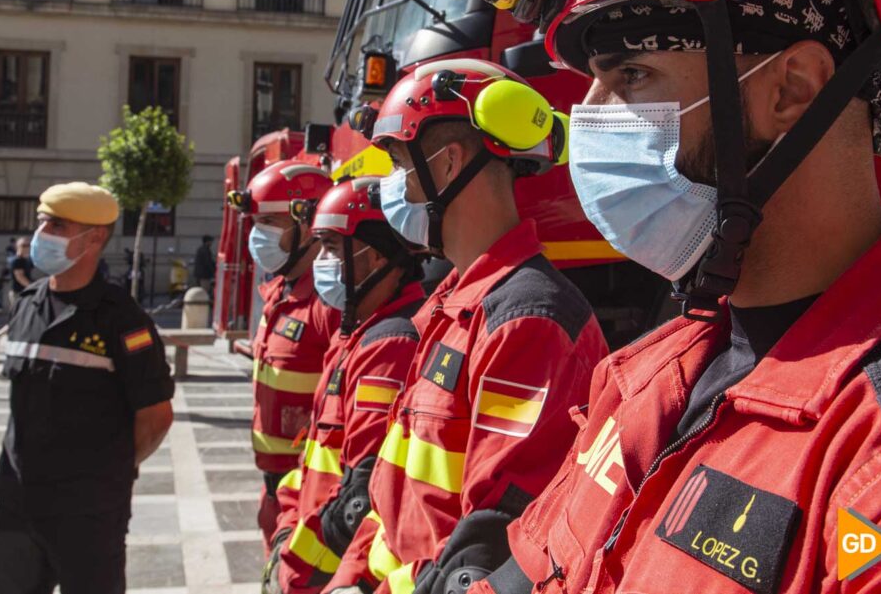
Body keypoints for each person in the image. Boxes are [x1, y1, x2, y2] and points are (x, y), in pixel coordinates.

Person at [469, 0, 881, 593]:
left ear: (790, 89)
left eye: (631, 76)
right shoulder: (648, 373)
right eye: (593, 83)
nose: (586, 122)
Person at [324, 60, 609, 594]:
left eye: (405, 168)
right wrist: (351, 576)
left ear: (450, 164)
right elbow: (392, 492)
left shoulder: (528, 323)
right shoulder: (448, 307)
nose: (397, 192)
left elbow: (490, 548)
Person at [0, 182, 174, 593]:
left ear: (94, 238)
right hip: (18, 503)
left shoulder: (122, 320)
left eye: (56, 225)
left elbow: (155, 417)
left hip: (86, 511)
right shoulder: (27, 303)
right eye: (41, 223)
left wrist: (106, 470)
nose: (42, 235)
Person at [263, 177, 427, 594]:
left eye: (333, 249)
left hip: (332, 574)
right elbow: (313, 458)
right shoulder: (353, 335)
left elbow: (364, 492)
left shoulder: (392, 344)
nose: (322, 261)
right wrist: (285, 534)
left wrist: (298, 570)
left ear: (373, 258)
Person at [227, 161, 341, 552]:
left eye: (271, 222)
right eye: (257, 222)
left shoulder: (329, 303)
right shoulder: (279, 292)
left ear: (310, 224)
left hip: (310, 492)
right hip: (274, 485)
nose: (259, 235)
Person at [0, 238, 33, 349]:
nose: (26, 247)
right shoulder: (17, 261)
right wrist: (33, 287)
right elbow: (19, 276)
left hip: (24, 292)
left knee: (22, 318)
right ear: (17, 247)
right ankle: (0, 335)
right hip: (18, 293)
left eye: (28, 245)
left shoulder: (26, 260)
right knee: (19, 318)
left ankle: (4, 336)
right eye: (23, 245)